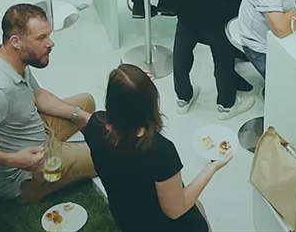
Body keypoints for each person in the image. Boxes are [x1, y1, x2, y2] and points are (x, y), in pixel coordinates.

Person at [0, 4, 97, 202]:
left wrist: (82, 116)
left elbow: (38, 95)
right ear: (16, 42)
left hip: (32, 128)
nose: (50, 43)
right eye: (41, 38)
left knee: (87, 102)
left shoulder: (10, 58)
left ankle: (65, 144)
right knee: (107, 155)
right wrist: (14, 159)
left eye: (48, 35)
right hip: (24, 172)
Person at [85, 63, 227, 231]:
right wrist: (211, 168)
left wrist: (131, 87)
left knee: (198, 206)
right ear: (150, 103)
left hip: (126, 218)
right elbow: (175, 210)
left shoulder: (95, 126)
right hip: (158, 225)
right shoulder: (159, 150)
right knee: (199, 213)